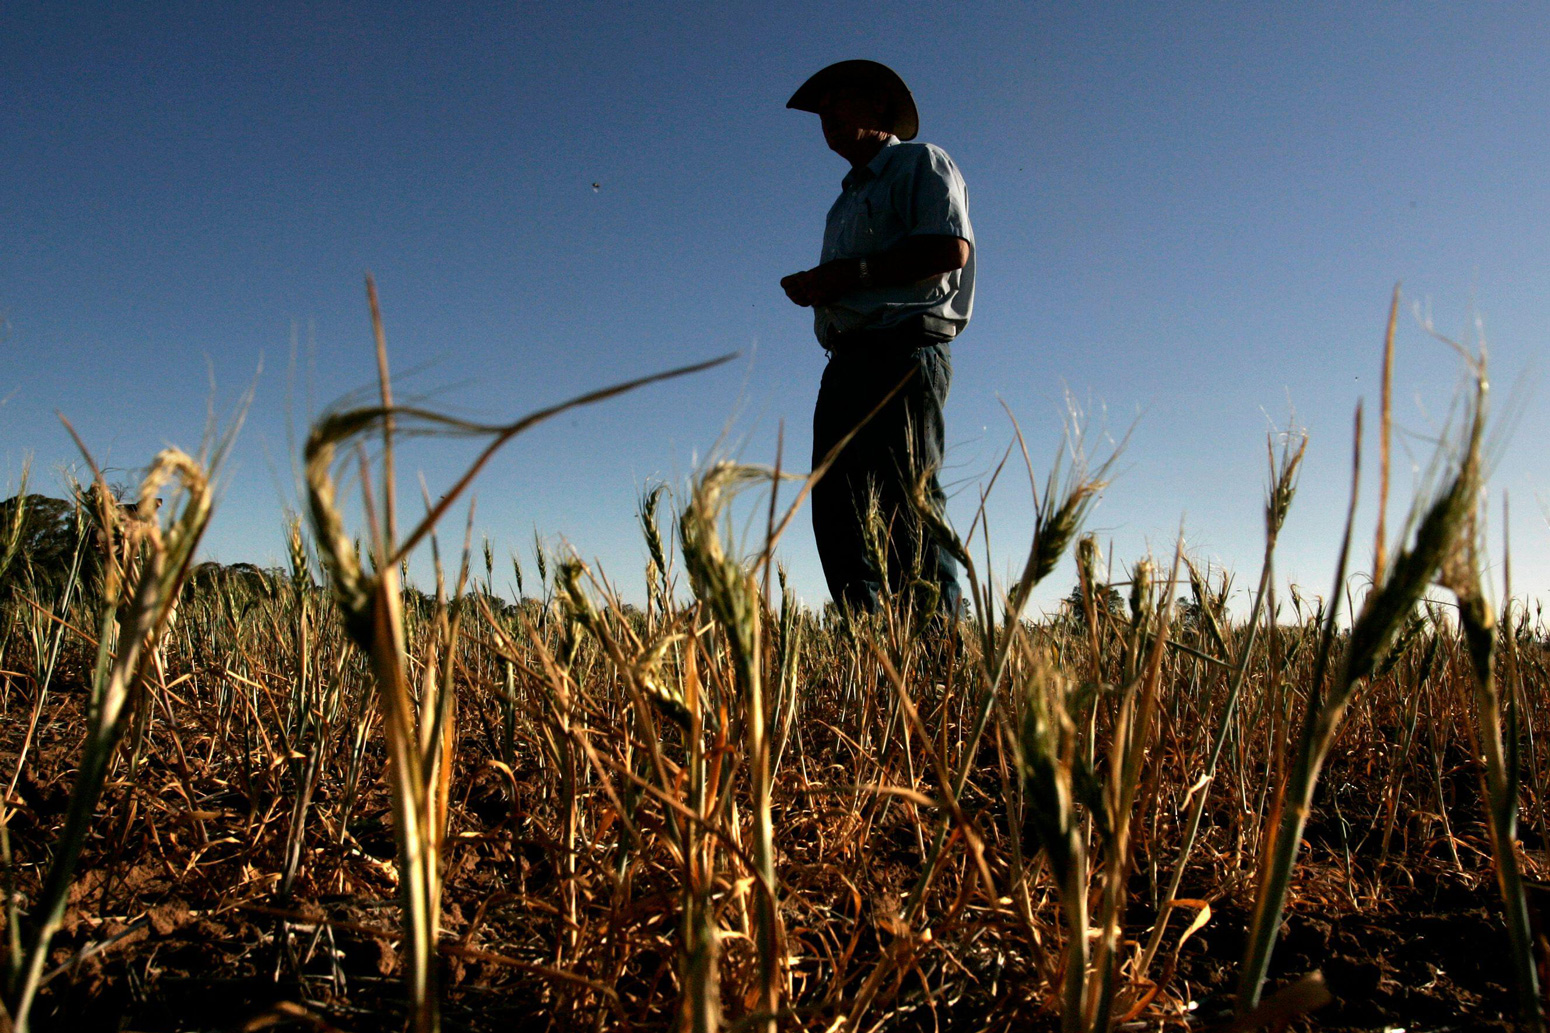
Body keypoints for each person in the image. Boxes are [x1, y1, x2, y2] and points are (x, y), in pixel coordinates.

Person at [781, 60, 972, 617]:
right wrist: (822, 289)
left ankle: (938, 657)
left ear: (880, 109)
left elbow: (947, 249)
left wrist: (845, 276)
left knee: (906, 503)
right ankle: (870, 654)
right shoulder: (843, 201)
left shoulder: (921, 163)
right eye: (822, 111)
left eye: (842, 102)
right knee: (837, 510)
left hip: (904, 352)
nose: (828, 117)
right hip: (847, 360)